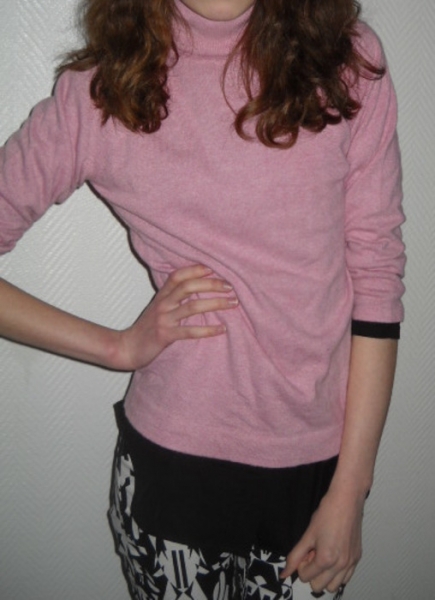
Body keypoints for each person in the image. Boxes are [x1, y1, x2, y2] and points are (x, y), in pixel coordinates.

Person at [0, 0, 405, 598]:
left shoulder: (346, 61)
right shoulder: (105, 89)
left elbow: (376, 276)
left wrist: (352, 488)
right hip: (174, 477)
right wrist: (116, 348)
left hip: (319, 477)